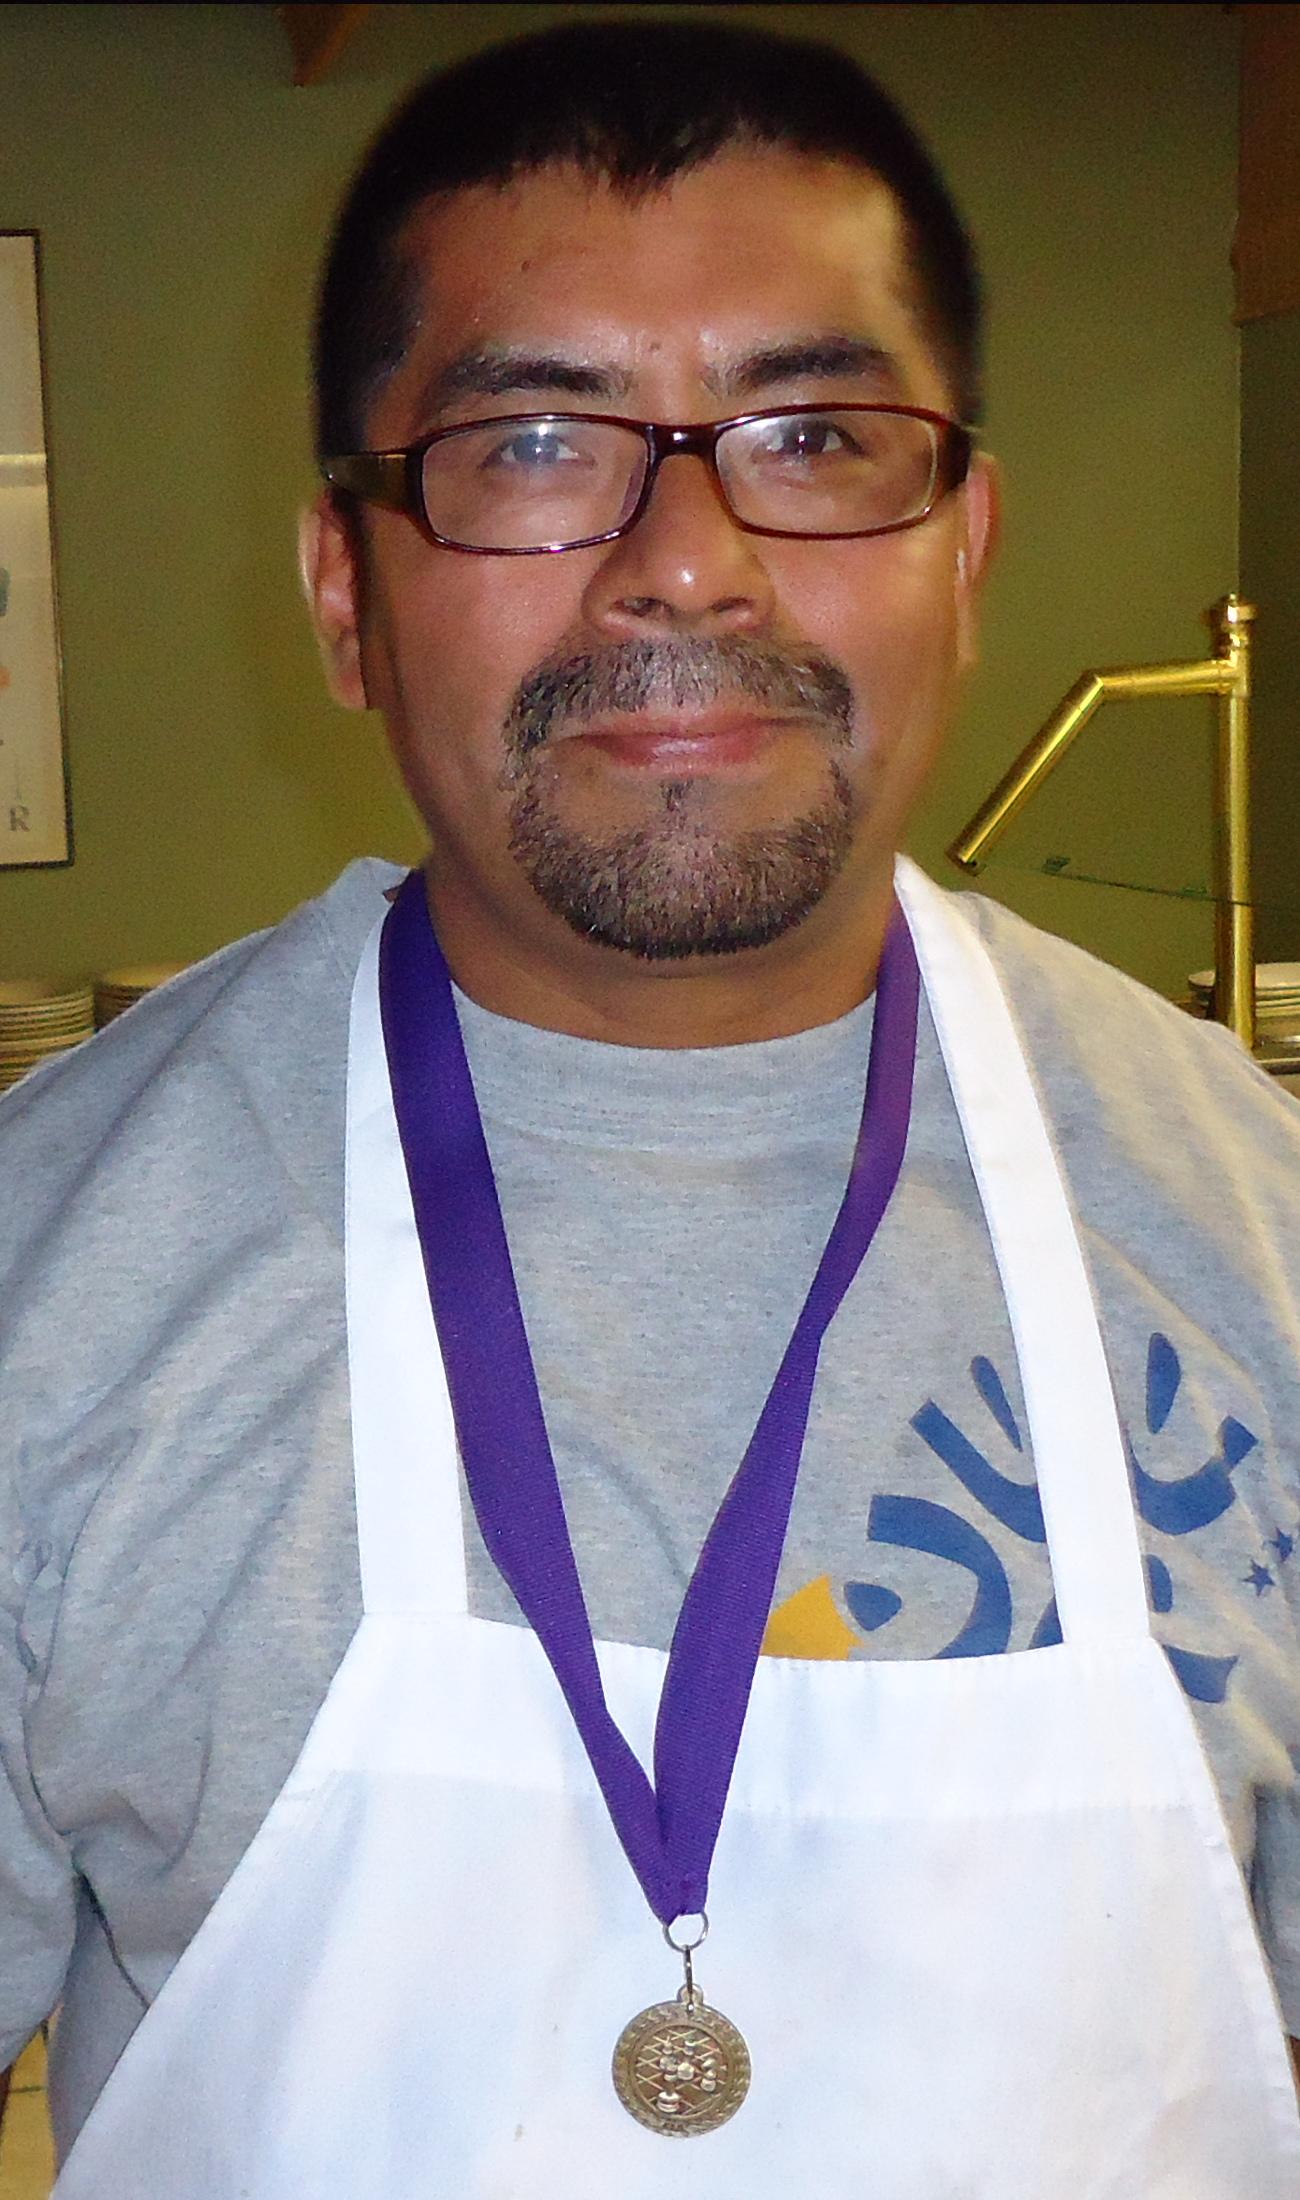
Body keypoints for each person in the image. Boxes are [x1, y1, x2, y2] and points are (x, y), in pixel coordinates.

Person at [2, 16, 1300, 2193]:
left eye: (814, 434)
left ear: (965, 549)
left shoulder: (1255, 1223)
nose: (684, 563)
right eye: (532, 443)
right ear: (344, 593)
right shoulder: (48, 1269)